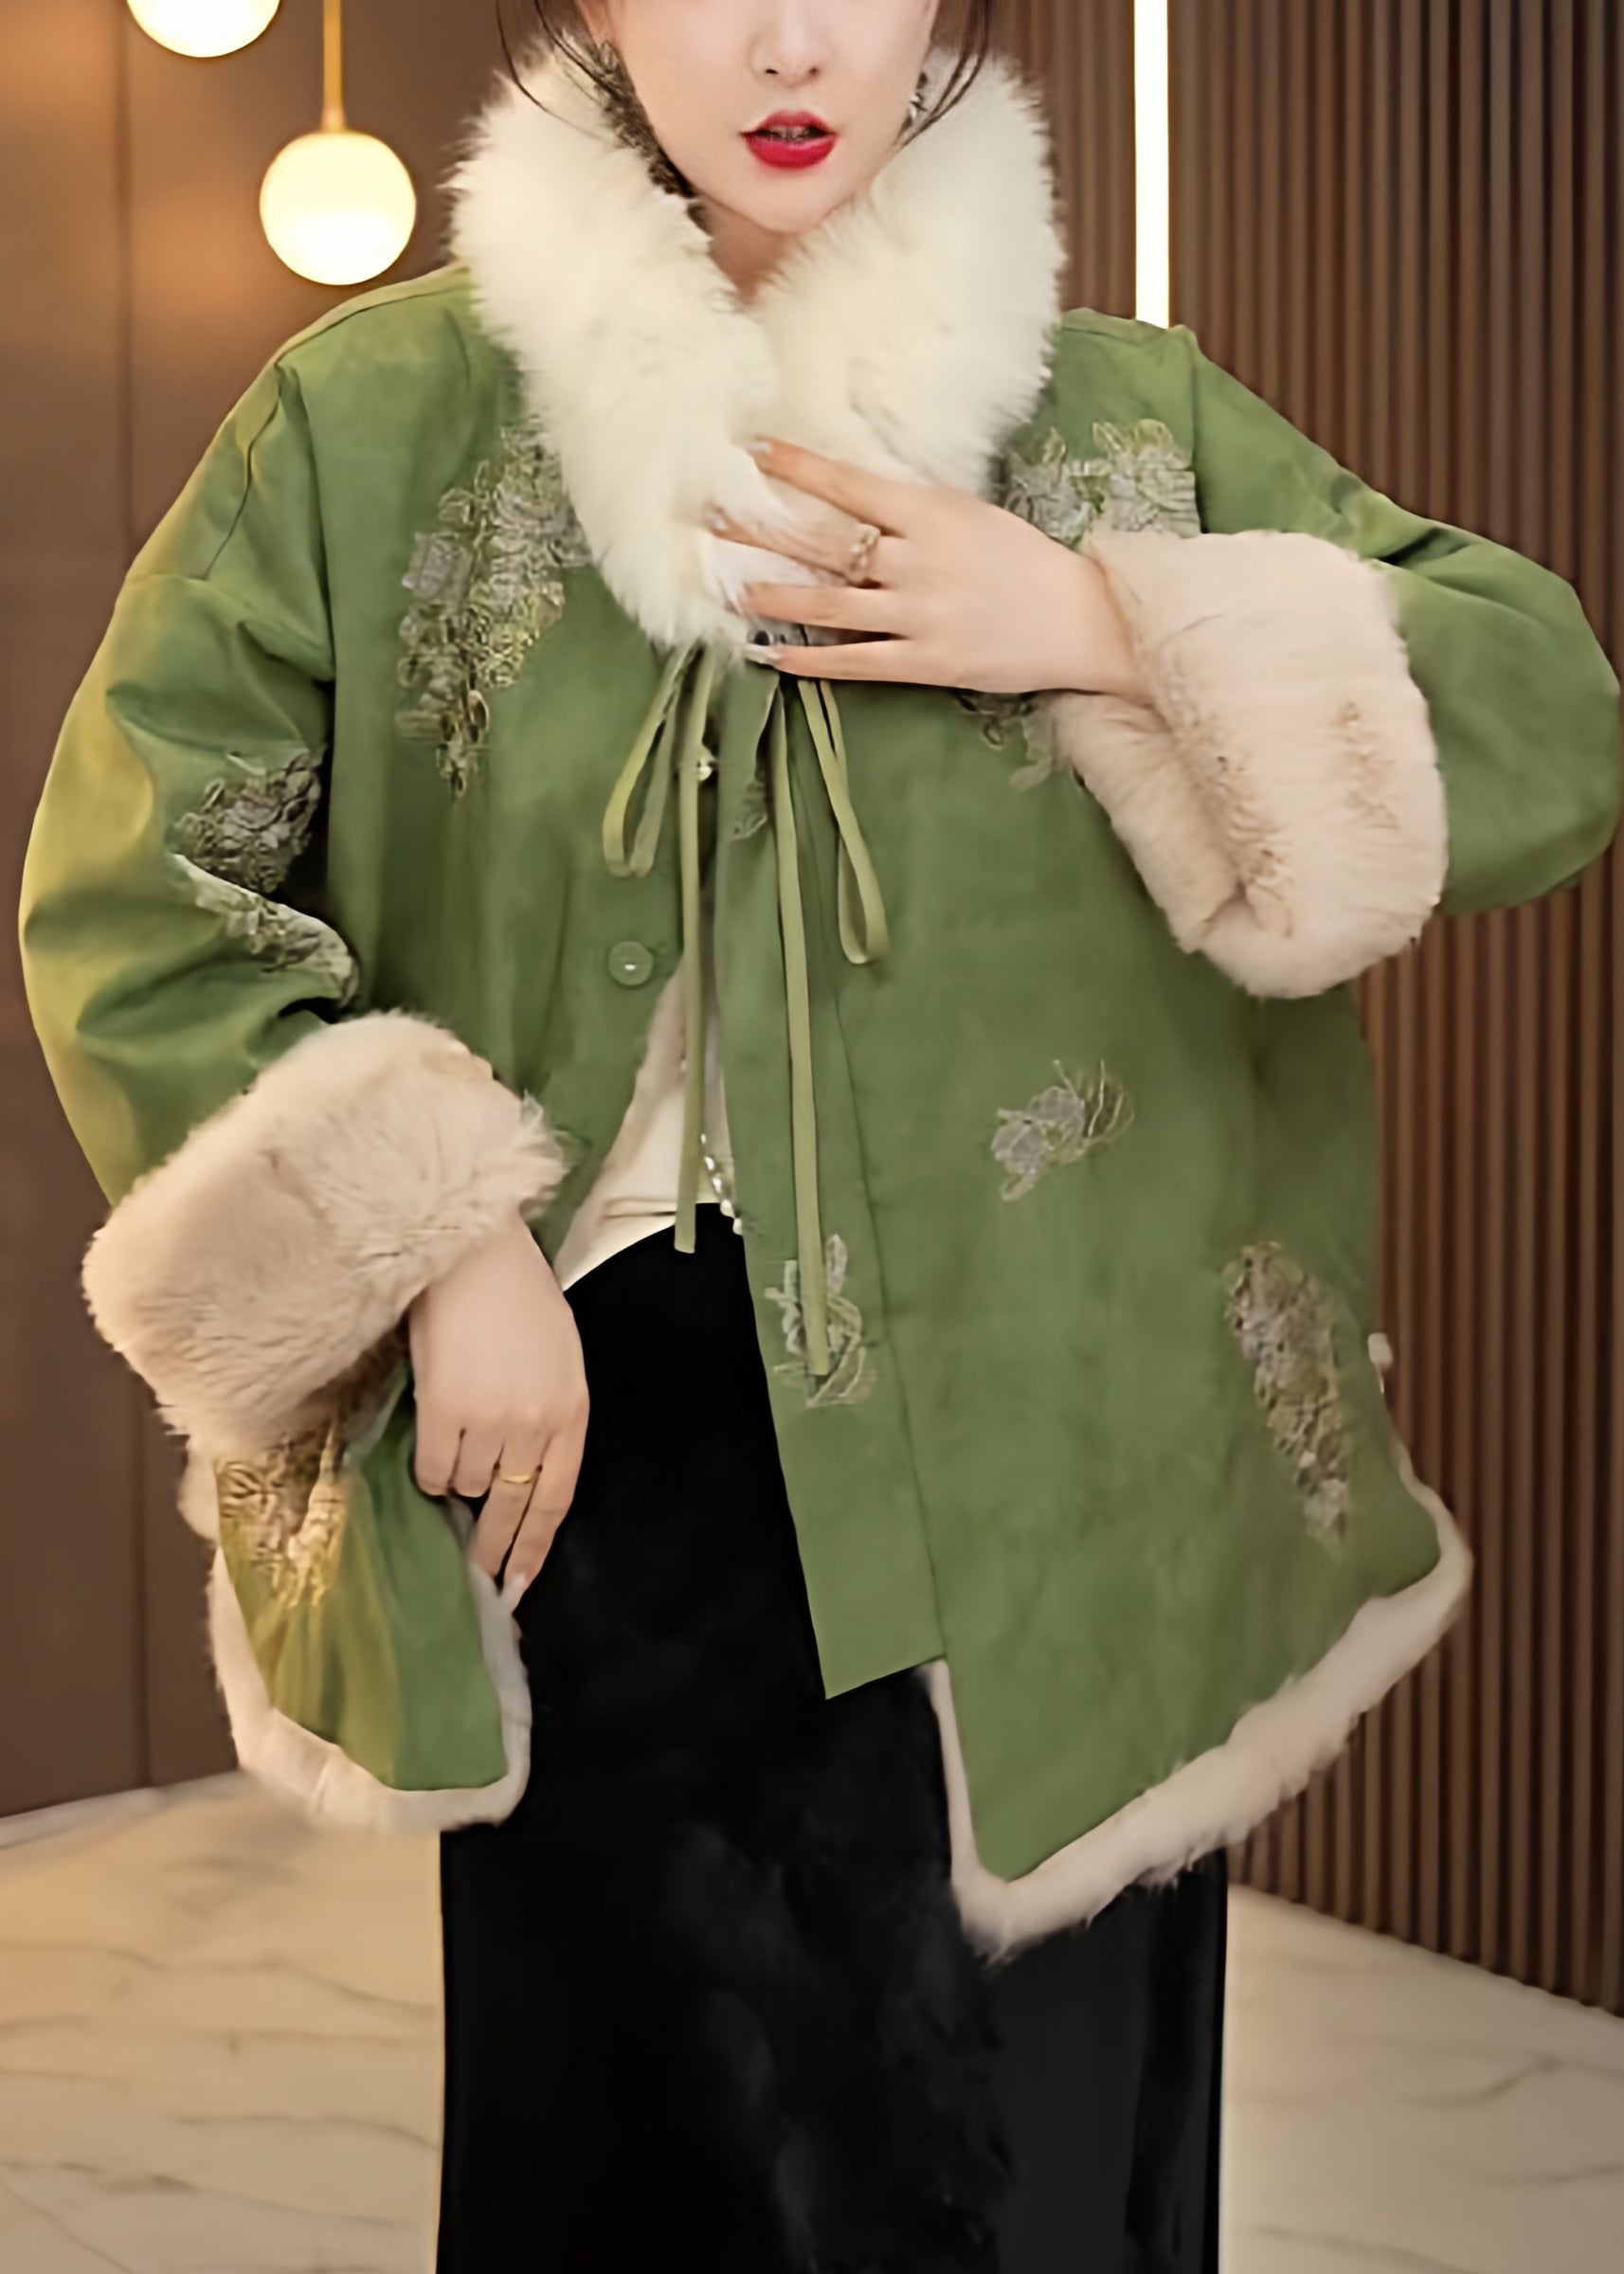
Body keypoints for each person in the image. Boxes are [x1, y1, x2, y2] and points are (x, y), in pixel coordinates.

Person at [17, 2, 1621, 2267]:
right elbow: (137, 898)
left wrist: (1102, 621)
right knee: (638, 2166)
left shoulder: (1113, 420)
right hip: (594, 1459)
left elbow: (1546, 724)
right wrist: (434, 1235)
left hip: (1066, 1470)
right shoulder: (372, 421)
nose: (786, 42)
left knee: (1042, 2174)